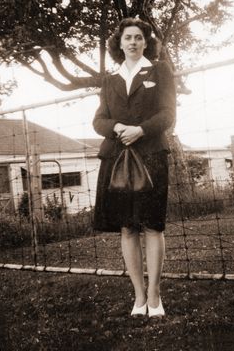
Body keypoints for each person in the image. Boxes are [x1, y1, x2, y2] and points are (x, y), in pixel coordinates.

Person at [93, 17, 176, 318]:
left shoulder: (159, 70)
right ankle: (138, 298)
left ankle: (155, 297)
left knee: (153, 225)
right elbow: (98, 120)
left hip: (151, 155)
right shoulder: (110, 79)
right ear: (119, 42)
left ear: (146, 42)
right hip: (117, 159)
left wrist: (140, 130)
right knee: (127, 227)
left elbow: (168, 114)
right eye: (127, 37)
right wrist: (116, 127)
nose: (132, 42)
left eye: (138, 37)